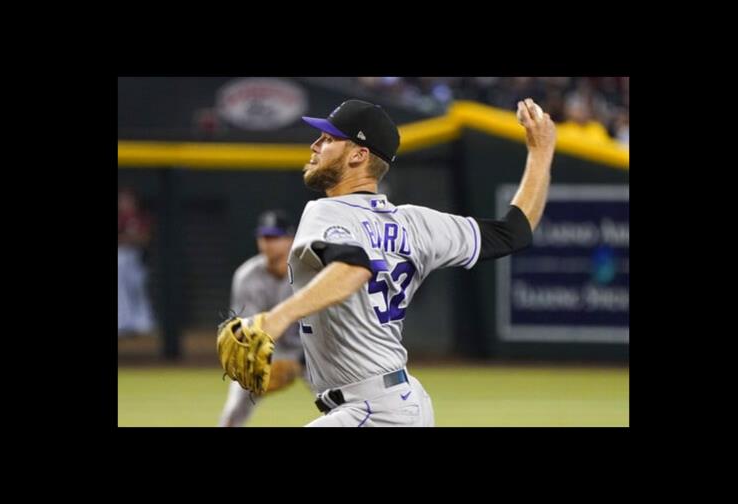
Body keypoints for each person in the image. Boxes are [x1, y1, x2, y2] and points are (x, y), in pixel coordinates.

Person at [224, 97, 555, 427]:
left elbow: (354, 267)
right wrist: (541, 153)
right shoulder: (416, 223)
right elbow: (514, 232)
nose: (315, 145)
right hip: (399, 403)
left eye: (328, 139)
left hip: (371, 409)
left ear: (358, 155)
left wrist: (275, 319)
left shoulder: (325, 212)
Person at [218, 210, 308, 427]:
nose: (268, 243)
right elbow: (248, 332)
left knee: (341, 400)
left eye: (275, 237)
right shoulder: (246, 276)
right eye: (264, 237)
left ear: (291, 239)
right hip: (266, 353)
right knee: (234, 408)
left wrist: (299, 361)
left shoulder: (308, 272)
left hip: (311, 352)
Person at [118, 188, 156, 337]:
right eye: (122, 200)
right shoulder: (120, 218)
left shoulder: (141, 217)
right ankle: (123, 322)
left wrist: (126, 239)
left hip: (138, 262)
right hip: (122, 262)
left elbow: (144, 239)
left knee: (138, 293)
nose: (124, 203)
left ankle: (143, 322)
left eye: (127, 200)